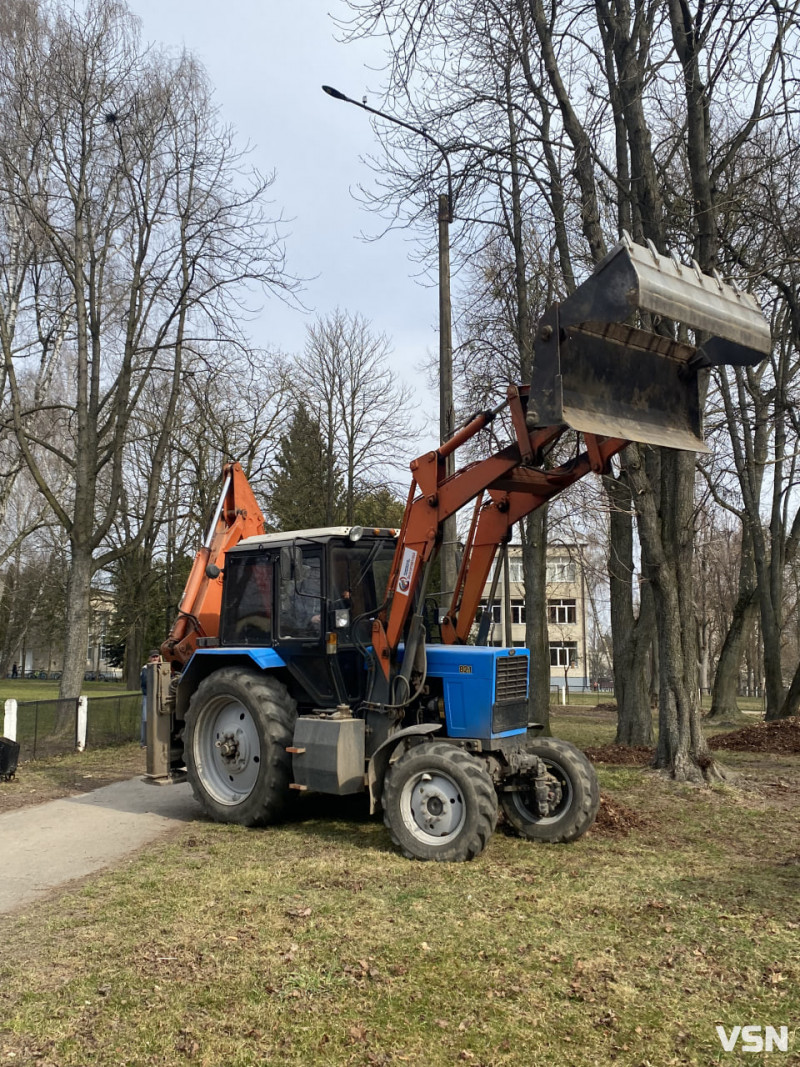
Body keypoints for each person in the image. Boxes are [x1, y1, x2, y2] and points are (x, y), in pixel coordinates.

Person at [140, 649, 161, 747]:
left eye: (156, 656)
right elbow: (145, 682)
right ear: (149, 658)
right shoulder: (145, 669)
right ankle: (144, 742)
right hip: (147, 696)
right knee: (146, 718)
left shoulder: (161, 667)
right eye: (153, 657)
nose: (155, 658)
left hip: (158, 696)